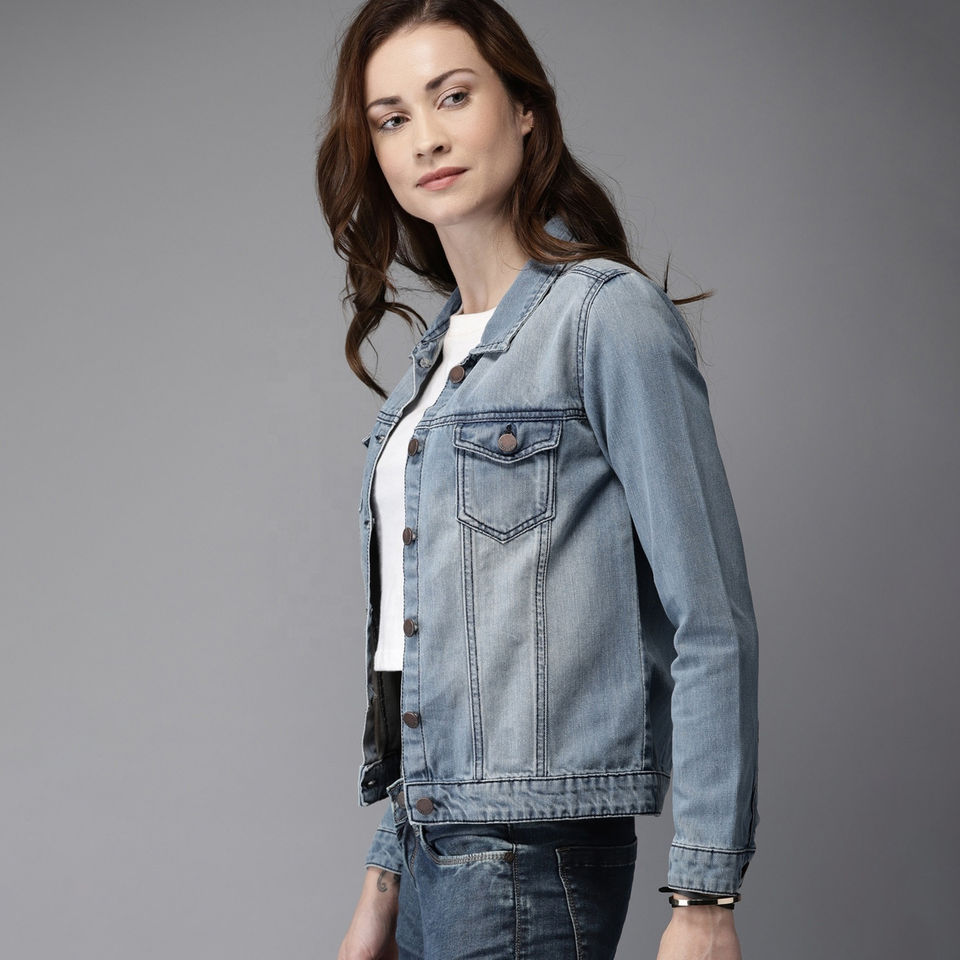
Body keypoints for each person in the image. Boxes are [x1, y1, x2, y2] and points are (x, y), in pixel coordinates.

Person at [315, 2, 759, 958]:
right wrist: (383, 878)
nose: (426, 138)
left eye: (453, 97)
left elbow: (710, 618)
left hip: (529, 859)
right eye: (392, 118)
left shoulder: (606, 317)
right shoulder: (436, 361)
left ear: (524, 109)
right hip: (431, 849)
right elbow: (429, 655)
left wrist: (704, 895)